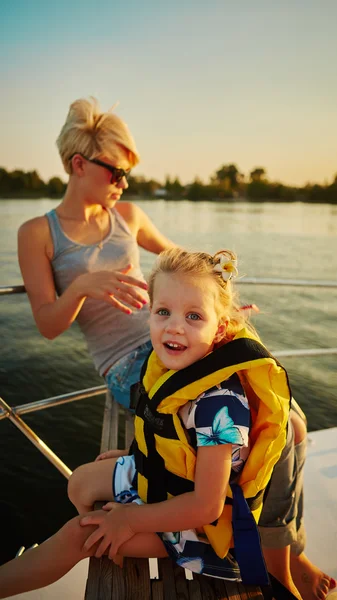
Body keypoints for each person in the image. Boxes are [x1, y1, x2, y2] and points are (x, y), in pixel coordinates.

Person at [1, 248, 335, 599]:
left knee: (78, 534)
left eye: (193, 316)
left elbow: (205, 506)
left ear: (220, 328)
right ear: (149, 315)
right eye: (164, 312)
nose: (175, 326)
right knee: (80, 483)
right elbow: (168, 431)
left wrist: (129, 520)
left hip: (200, 528)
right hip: (167, 481)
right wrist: (142, 454)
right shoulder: (169, 367)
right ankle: (114, 542)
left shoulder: (219, 408)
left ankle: (105, 541)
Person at [17, 97, 175, 411]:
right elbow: (48, 327)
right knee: (214, 420)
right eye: (116, 173)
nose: (124, 183)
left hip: (170, 338)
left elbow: (181, 259)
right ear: (79, 164)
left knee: (280, 415)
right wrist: (80, 287)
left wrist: (220, 293)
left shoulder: (128, 216)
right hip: (125, 363)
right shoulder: (37, 233)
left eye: (127, 174)